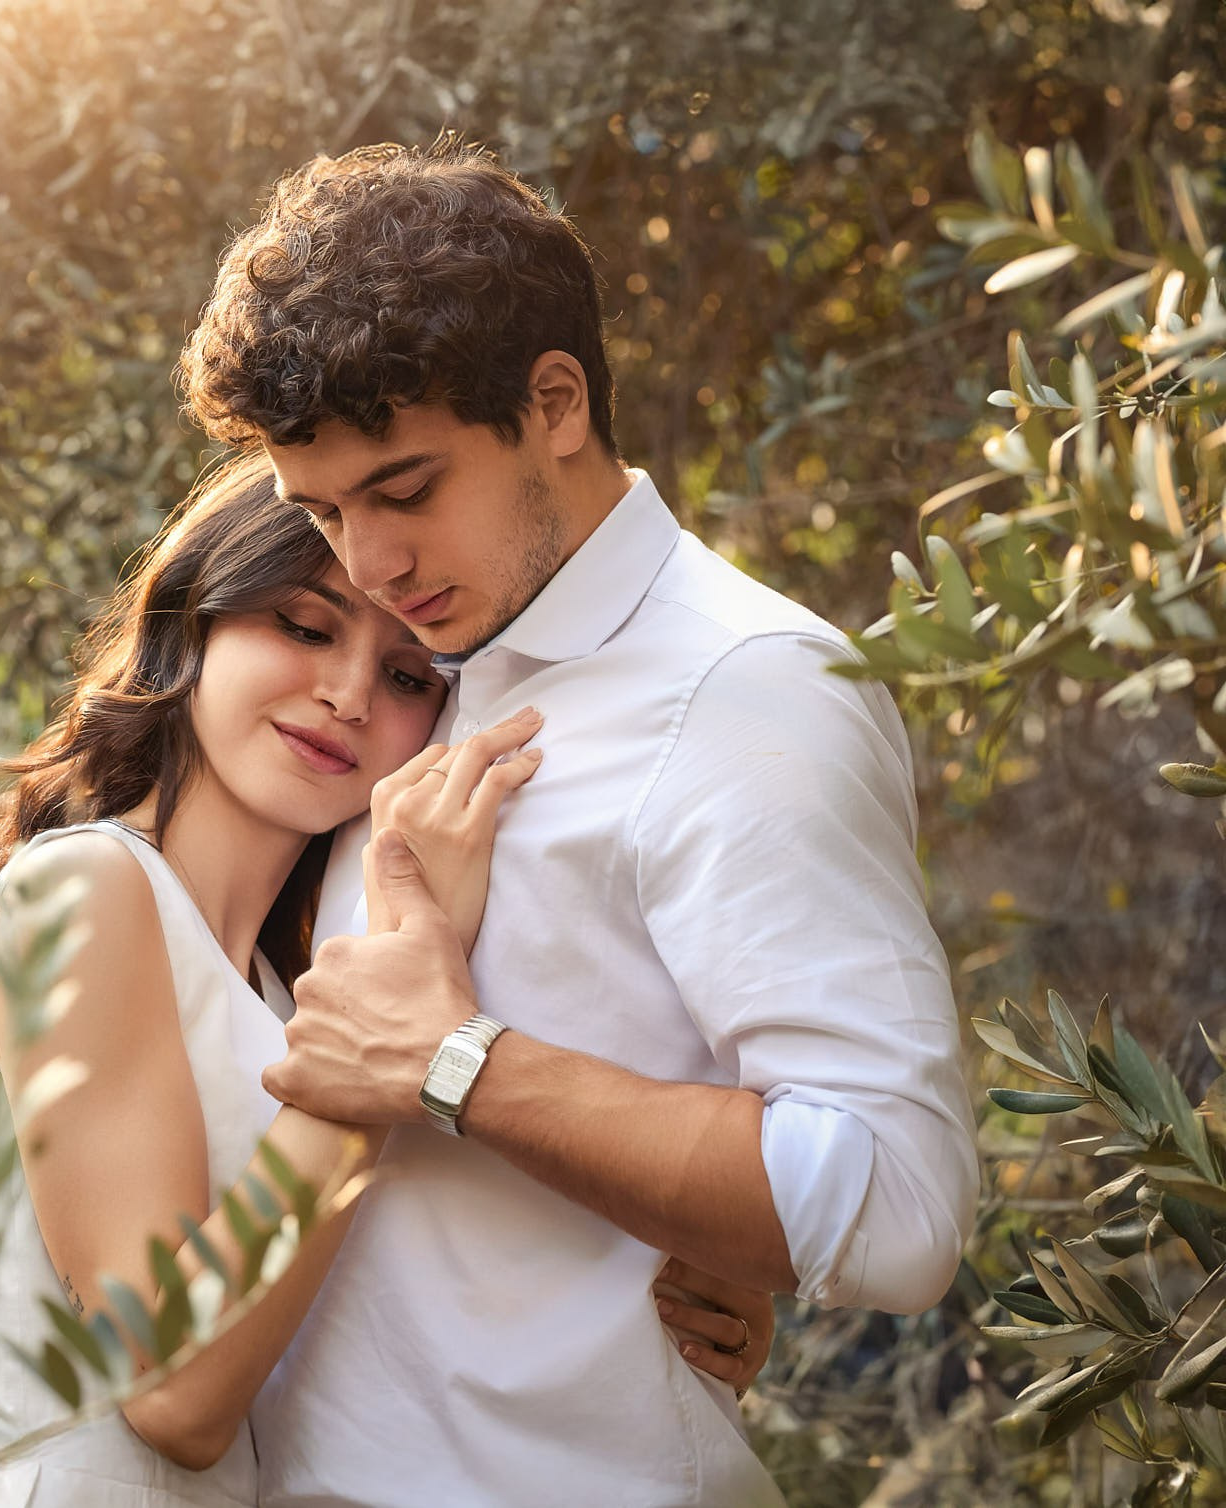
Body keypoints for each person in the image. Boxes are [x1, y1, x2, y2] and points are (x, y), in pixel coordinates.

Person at [174, 138, 980, 1506]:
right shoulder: (415, 678)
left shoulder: (744, 690)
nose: (367, 565)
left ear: (556, 403)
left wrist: (458, 1065)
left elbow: (897, 1208)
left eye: (405, 491)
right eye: (318, 511)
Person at [0, 453, 773, 1507]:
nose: (347, 693)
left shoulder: (283, 983)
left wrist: (666, 1265)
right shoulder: (84, 889)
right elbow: (171, 1391)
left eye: (409, 676)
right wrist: (383, 1041)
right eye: (303, 627)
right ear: (195, 620)